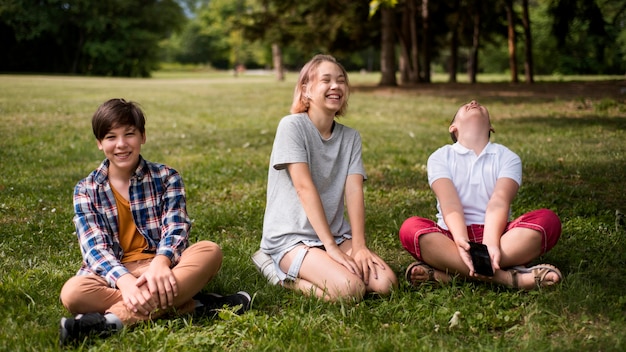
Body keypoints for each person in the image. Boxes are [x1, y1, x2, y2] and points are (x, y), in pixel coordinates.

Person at [59, 98, 250, 346]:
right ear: (99, 143)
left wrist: (161, 263)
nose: (121, 144)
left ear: (143, 137)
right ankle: (191, 303)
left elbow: (176, 228)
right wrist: (125, 282)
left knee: (209, 251)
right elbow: (94, 248)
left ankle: (109, 323)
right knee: (73, 293)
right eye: (110, 137)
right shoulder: (86, 189)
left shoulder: (166, 177)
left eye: (129, 134)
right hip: (114, 274)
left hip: (163, 268)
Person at [252, 54, 398, 301]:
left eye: (341, 81)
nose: (335, 86)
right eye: (326, 80)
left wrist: (359, 246)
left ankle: (328, 260)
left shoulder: (350, 138)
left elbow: (353, 192)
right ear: (306, 90)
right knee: (350, 290)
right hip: (291, 238)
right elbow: (304, 188)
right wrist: (330, 249)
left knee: (386, 284)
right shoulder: (292, 127)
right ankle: (277, 273)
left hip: (336, 234)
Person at [399, 100, 562, 290]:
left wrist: (490, 245)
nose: (473, 102)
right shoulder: (440, 157)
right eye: (464, 106)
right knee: (410, 229)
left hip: (500, 238)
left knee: (548, 221)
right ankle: (510, 279)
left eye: (480, 105)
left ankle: (452, 273)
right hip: (451, 239)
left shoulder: (507, 157)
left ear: (491, 128)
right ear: (453, 128)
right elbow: (450, 203)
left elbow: (499, 202)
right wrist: (461, 241)